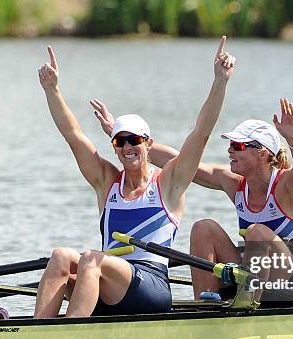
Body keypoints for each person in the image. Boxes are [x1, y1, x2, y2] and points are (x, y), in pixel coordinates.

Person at [33, 37, 235, 318]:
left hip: (150, 287)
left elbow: (201, 133)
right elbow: (73, 136)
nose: (127, 147)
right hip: (106, 283)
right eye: (120, 142)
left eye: (134, 140)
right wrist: (52, 90)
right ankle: (38, 335)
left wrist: (220, 82)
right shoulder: (107, 182)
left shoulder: (169, 183)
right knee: (60, 257)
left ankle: (72, 338)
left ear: (148, 144)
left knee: (91, 259)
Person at [91, 98, 293, 300]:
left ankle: (247, 302)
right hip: (259, 276)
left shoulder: (287, 186)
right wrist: (125, 139)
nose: (229, 151)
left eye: (238, 146)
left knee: (256, 231)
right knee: (203, 227)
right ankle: (205, 304)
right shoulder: (234, 183)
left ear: (263, 153)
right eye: (230, 145)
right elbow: (184, 162)